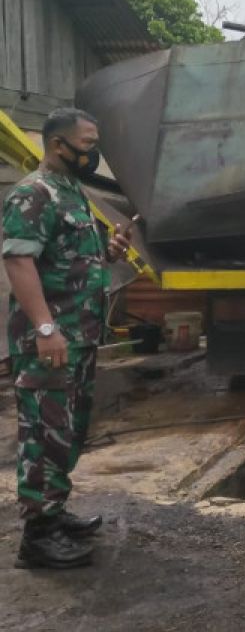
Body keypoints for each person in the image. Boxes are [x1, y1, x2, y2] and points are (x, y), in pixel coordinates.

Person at [4, 108, 133, 569]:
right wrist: (45, 329)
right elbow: (18, 262)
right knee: (42, 432)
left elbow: (72, 259)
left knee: (66, 431)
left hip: (78, 337)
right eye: (87, 143)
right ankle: (37, 538)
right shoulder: (32, 194)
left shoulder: (70, 191)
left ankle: (54, 514)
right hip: (51, 341)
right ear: (59, 146)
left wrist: (110, 250)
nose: (93, 152)